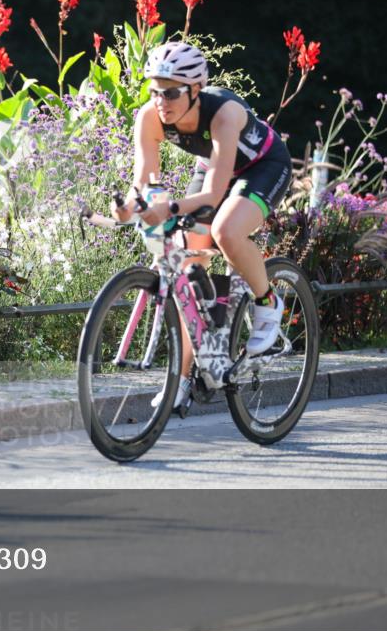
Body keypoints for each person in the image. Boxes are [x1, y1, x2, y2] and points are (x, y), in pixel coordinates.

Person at [111, 41, 292, 412]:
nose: (162, 101)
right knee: (187, 268)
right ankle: (183, 376)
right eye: (155, 91)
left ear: (195, 90)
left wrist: (170, 207)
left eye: (172, 92)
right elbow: (145, 180)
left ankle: (268, 303)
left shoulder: (224, 113)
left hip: (262, 167)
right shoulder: (149, 116)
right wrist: (129, 206)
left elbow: (212, 194)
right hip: (214, 168)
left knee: (226, 230)